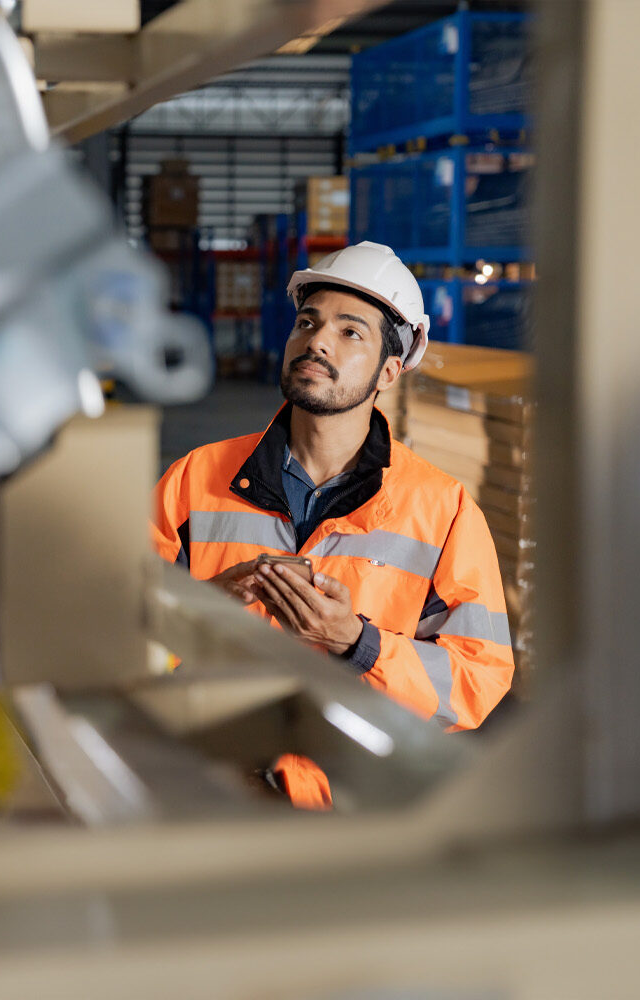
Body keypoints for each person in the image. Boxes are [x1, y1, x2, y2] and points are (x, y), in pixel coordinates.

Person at [151, 242, 515, 808]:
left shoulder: (442, 510)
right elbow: (117, 637)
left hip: (354, 812)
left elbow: (478, 679)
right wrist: (203, 615)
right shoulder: (195, 480)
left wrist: (358, 642)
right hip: (209, 793)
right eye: (307, 321)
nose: (317, 340)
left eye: (351, 332)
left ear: (389, 371)